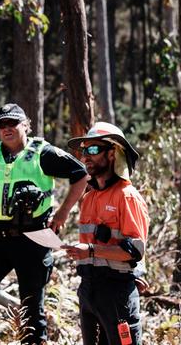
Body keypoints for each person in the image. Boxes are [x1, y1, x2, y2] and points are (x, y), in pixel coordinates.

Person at [0, 103, 88, 345]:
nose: (7, 128)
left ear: (26, 125)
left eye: (13, 123)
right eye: (2, 124)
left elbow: (80, 175)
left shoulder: (43, 152)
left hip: (33, 238)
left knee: (31, 306)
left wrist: (62, 213)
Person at [63, 122, 149, 345]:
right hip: (89, 291)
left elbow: (134, 251)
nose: (86, 157)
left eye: (93, 150)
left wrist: (90, 250)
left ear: (112, 153)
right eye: (84, 151)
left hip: (117, 294)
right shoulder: (89, 198)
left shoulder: (127, 196)